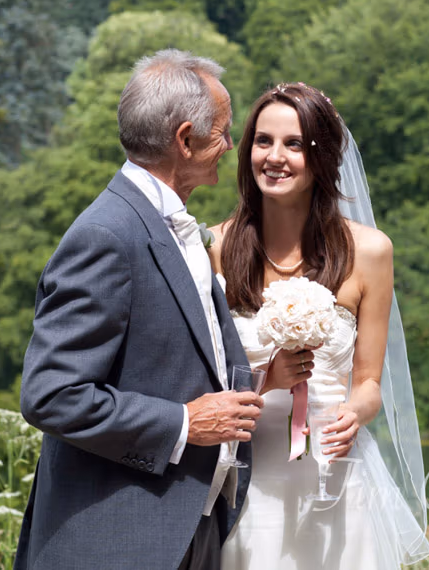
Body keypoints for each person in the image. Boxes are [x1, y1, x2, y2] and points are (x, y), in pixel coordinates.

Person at [15, 49, 263, 570]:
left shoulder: (171, 225)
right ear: (185, 138)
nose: (229, 146)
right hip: (118, 542)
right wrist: (181, 423)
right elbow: (52, 394)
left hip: (186, 527)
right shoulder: (106, 235)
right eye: (222, 132)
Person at [210, 82, 429, 569]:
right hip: (246, 473)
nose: (275, 156)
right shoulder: (214, 248)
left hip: (332, 474)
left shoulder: (371, 252)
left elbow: (370, 381)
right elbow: (200, 376)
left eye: (294, 144)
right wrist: (267, 377)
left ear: (322, 156)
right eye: (263, 141)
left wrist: (356, 412)